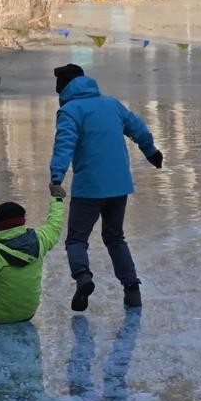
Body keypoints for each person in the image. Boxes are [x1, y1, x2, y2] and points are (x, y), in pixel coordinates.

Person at [49, 63, 163, 312]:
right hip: (118, 185)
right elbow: (138, 128)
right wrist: (151, 153)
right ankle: (132, 290)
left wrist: (56, 177)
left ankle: (83, 277)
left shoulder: (70, 111)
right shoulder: (111, 104)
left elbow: (64, 145)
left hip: (88, 187)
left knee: (76, 239)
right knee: (115, 237)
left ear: (63, 88)